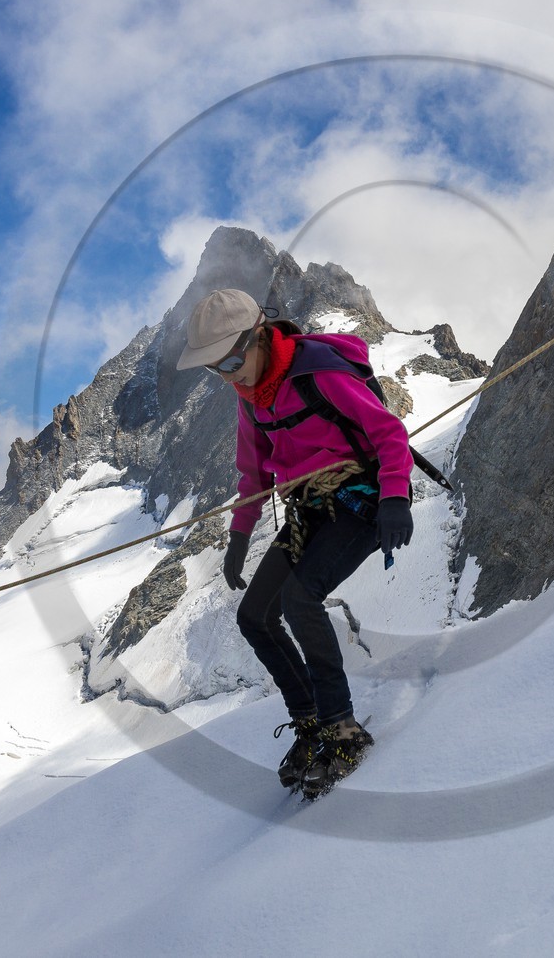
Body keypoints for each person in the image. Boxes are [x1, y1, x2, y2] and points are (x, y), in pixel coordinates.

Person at [176, 288, 415, 798]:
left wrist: (395, 496)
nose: (228, 375)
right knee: (254, 615)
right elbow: (253, 474)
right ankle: (310, 725)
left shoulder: (319, 373)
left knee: (301, 600)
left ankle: (342, 727)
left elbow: (389, 434)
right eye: (215, 368)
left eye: (234, 360)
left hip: (362, 499)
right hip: (312, 509)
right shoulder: (252, 396)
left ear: (259, 336)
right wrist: (239, 535)